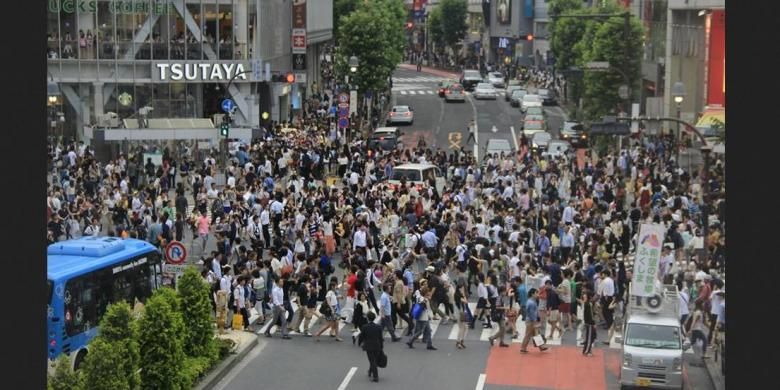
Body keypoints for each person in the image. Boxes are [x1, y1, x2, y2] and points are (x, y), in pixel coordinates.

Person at [406, 286, 437, 350]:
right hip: (423, 318)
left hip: (420, 317)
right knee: (420, 331)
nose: (429, 293)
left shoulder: (419, 297)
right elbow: (427, 308)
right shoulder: (424, 299)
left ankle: (429, 345)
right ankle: (410, 341)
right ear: (425, 293)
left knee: (428, 331)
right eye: (428, 292)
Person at [358, 311, 385, 383]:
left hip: (369, 346)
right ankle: (370, 371)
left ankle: (375, 376)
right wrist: (381, 346)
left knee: (372, 360)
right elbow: (380, 338)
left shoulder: (365, 327)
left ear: (368, 318)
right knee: (374, 360)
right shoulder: (378, 327)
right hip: (377, 346)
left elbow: (361, 336)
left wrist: (359, 343)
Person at [520, 288, 548, 353]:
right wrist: (535, 321)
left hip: (531, 320)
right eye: (536, 293)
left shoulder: (531, 301)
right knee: (529, 334)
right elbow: (531, 313)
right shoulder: (531, 303)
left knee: (535, 334)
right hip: (531, 321)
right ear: (532, 294)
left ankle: (541, 347)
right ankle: (523, 348)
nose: (538, 295)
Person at [581, 291, 597, 356]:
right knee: (589, 337)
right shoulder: (589, 304)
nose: (584, 297)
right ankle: (587, 351)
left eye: (585, 296)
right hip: (589, 323)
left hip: (588, 322)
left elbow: (590, 314)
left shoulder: (588, 304)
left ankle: (586, 350)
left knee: (588, 337)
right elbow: (591, 315)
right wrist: (593, 323)